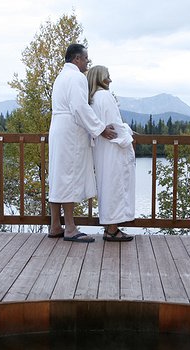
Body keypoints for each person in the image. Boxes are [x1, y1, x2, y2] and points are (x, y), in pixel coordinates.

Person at [48, 44, 117, 243]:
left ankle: (55, 225)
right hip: (70, 131)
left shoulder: (61, 77)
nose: (88, 62)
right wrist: (101, 129)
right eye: (86, 58)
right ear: (77, 59)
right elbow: (79, 107)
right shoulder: (77, 77)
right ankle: (69, 228)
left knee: (58, 176)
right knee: (68, 176)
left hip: (58, 129)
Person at [86, 65, 135, 242]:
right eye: (108, 77)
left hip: (101, 148)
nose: (110, 80)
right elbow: (114, 123)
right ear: (100, 78)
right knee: (115, 185)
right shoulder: (106, 96)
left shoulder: (91, 99)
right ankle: (112, 229)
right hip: (114, 147)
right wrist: (128, 138)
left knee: (106, 184)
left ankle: (109, 226)